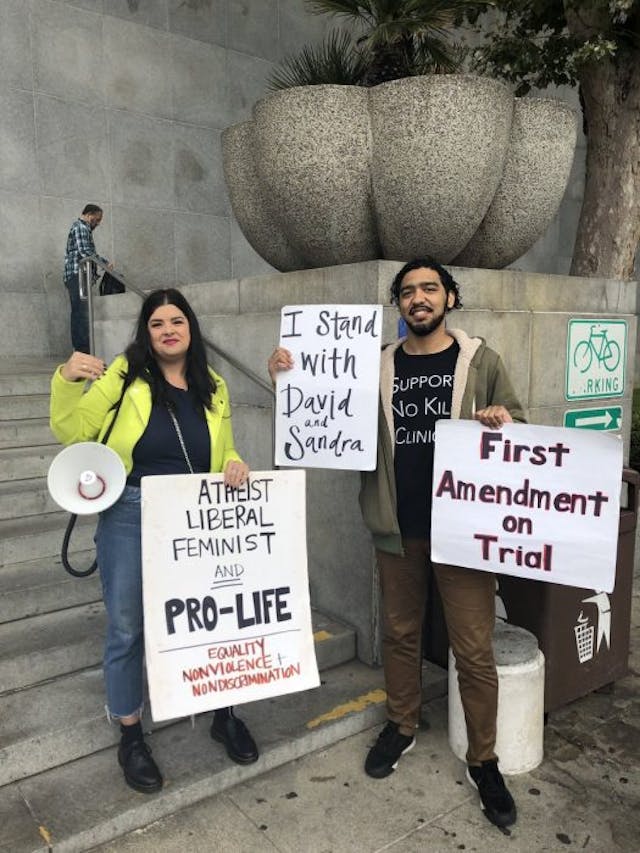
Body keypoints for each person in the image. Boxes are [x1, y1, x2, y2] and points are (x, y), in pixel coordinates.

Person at [267, 257, 525, 829]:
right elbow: (321, 400)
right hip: (397, 527)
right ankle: (401, 724)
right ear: (399, 305)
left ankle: (484, 760)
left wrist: (503, 420)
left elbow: (521, 431)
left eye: (430, 288)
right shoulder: (374, 364)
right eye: (407, 291)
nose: (418, 298)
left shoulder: (481, 362)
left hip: (463, 532)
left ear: (450, 297)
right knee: (401, 634)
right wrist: (286, 376)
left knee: (473, 648)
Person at [50, 288, 259, 794]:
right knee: (127, 626)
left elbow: (225, 448)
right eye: (157, 323)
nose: (168, 330)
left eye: (177, 321)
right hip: (131, 512)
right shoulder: (125, 374)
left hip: (196, 517)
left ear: (191, 328)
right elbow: (72, 432)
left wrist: (234, 462)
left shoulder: (213, 383)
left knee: (210, 616)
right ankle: (129, 733)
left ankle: (222, 712)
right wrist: (66, 380)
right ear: (146, 332)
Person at [63, 204, 113, 354]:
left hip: (77, 275)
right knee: (81, 313)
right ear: (89, 215)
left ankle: (81, 350)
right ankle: (83, 350)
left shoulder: (82, 228)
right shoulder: (81, 227)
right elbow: (85, 252)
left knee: (79, 312)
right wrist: (104, 263)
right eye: (97, 219)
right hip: (76, 275)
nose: (98, 223)